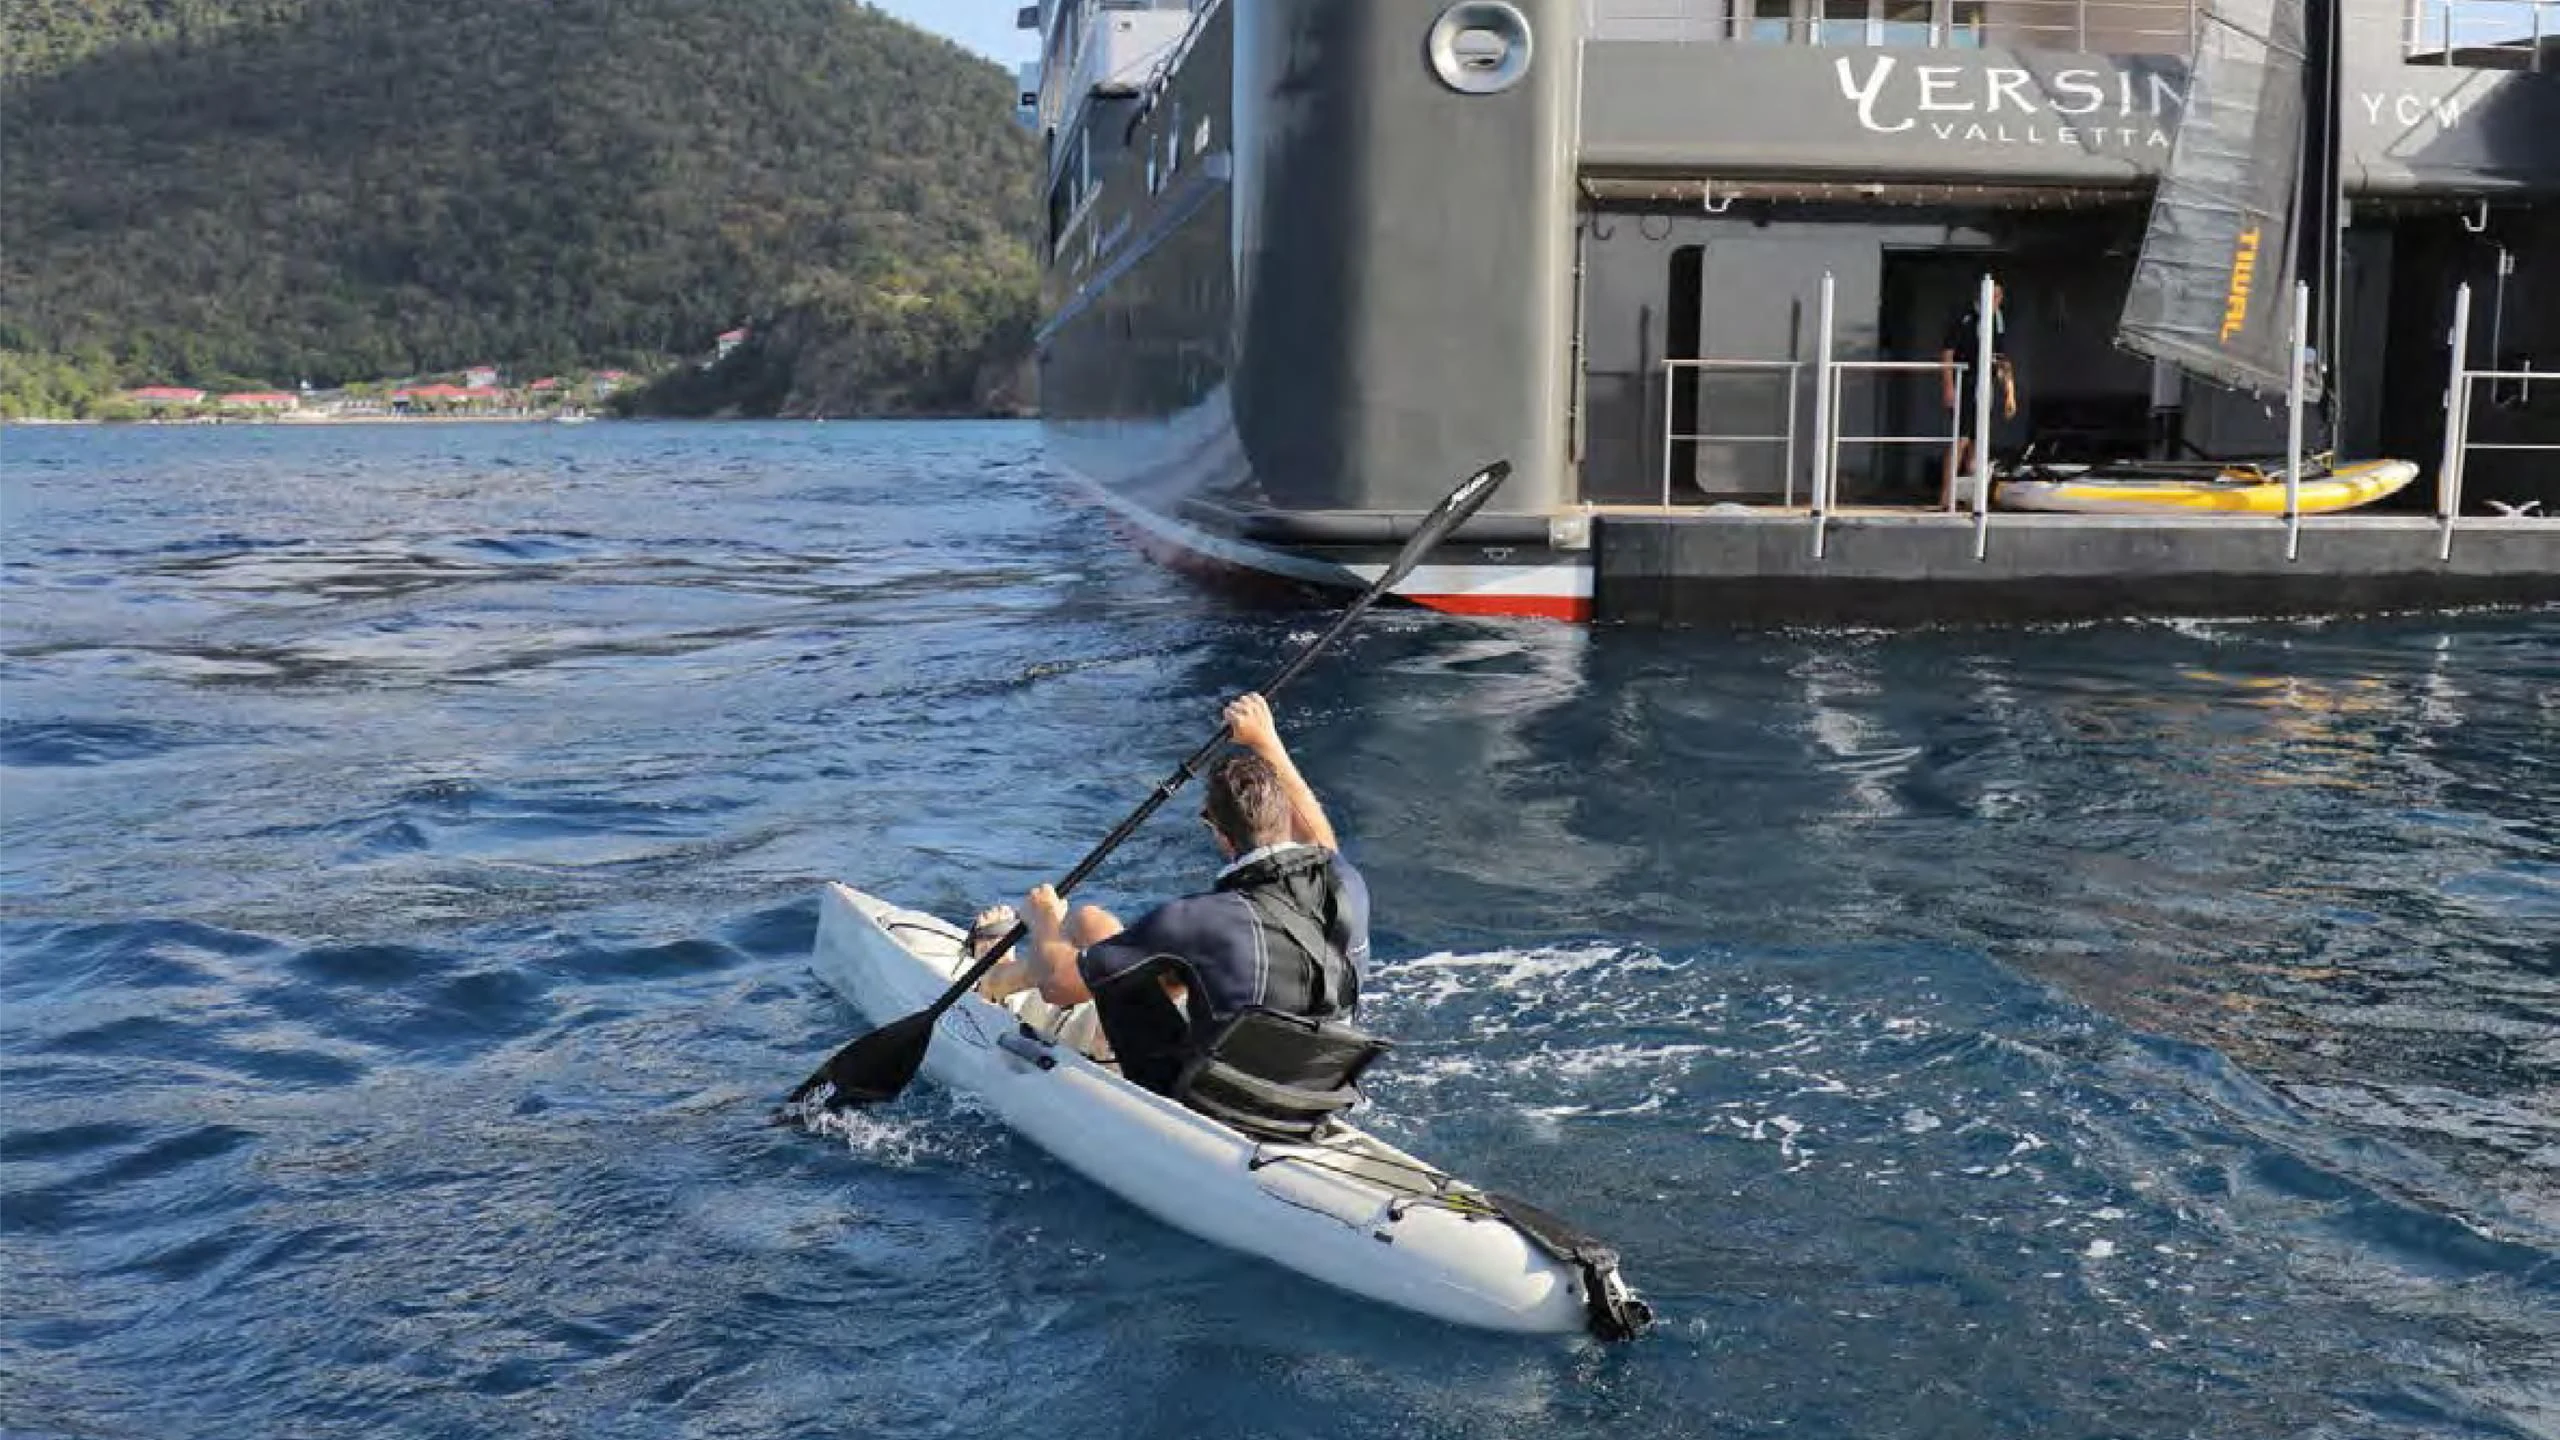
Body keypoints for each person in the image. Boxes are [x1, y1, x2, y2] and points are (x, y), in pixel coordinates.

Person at [970, 693, 1371, 1094]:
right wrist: (1267, 742)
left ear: (1215, 830)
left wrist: (1044, 920)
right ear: (1286, 815)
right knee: (1097, 926)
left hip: (1211, 1102)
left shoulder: (1197, 920)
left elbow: (1057, 986)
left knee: (1093, 941)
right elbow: (1320, 842)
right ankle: (1017, 989)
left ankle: (994, 982)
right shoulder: (1345, 882)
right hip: (1320, 1093)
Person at [1940, 279, 2018, 508]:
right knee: (1961, 439)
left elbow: (2002, 358)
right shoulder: (1965, 318)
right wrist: (1948, 387)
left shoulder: (1997, 320)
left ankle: (1970, 495)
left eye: (1999, 298)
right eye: (1993, 298)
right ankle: (1946, 495)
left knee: (1978, 440)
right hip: (1965, 381)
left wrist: (2010, 392)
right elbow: (1947, 354)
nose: (1996, 302)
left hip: (1986, 384)